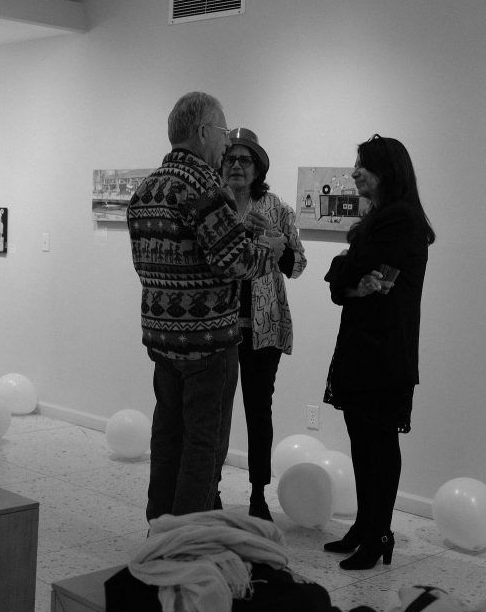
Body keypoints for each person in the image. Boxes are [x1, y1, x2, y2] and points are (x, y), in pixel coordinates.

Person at [127, 92, 288, 522]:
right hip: (207, 344)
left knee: (166, 436)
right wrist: (269, 248)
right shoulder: (203, 188)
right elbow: (235, 262)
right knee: (204, 444)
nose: (223, 147)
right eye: (221, 133)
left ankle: (159, 527)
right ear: (202, 132)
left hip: (161, 339)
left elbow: (143, 262)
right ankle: (188, 540)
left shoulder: (147, 187)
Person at [321, 134, 435, 569]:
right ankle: (365, 527)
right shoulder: (382, 218)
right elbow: (342, 281)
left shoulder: (399, 219)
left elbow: (346, 270)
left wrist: (346, 271)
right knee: (363, 443)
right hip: (365, 347)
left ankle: (378, 533)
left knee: (379, 446)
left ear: (387, 171)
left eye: (362, 165)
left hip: (383, 353)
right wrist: (347, 274)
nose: (354, 172)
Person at [221, 128, 307, 521]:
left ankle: (258, 493)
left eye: (245, 159)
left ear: (258, 168)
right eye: (230, 158)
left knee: (259, 410)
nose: (236, 165)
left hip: (263, 327)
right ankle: (211, 488)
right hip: (217, 326)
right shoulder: (214, 205)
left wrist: (277, 242)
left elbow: (298, 265)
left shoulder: (276, 207)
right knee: (215, 410)